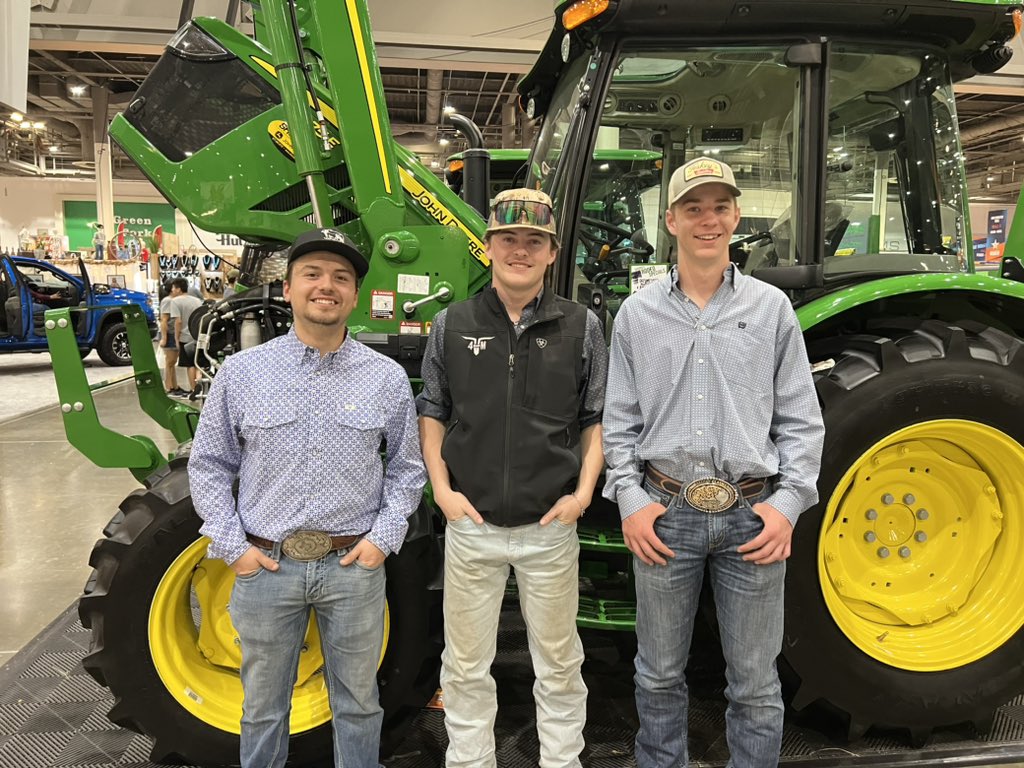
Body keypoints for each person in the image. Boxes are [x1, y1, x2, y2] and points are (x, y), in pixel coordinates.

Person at [601, 158, 825, 768]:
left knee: (754, 683)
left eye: (720, 207)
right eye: (694, 208)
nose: (709, 220)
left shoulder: (772, 309)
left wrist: (786, 505)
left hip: (752, 516)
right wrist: (631, 500)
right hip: (664, 514)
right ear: (671, 220)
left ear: (736, 216)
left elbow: (802, 420)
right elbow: (619, 422)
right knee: (656, 675)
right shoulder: (637, 314)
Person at [188, 227, 426, 768]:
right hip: (266, 566)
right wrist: (235, 550)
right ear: (288, 288)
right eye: (312, 274)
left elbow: (407, 469)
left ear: (355, 295)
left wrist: (381, 542)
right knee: (262, 708)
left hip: (352, 569)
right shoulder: (243, 373)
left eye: (341, 277)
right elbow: (208, 466)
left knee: (359, 704)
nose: (327, 286)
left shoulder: (385, 378)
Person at [417, 188, 608, 768]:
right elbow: (433, 409)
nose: (519, 250)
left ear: (552, 252)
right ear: (488, 246)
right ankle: (470, 760)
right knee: (464, 665)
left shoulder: (582, 326)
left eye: (533, 241)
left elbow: (595, 417)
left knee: (560, 663)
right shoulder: (451, 324)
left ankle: (561, 761)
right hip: (471, 526)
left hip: (549, 528)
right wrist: (443, 492)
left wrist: (581, 495)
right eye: (508, 239)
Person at [167, 277, 204, 394]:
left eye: (173, 288)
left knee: (190, 365)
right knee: (198, 364)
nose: (172, 290)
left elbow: (178, 321)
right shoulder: (197, 301)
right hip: (198, 335)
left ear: (178, 289)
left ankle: (194, 390)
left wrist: (176, 338)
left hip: (185, 337)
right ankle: (201, 387)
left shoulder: (175, 302)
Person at [158, 283, 182, 395]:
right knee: (170, 361)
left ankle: (174, 386)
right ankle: (168, 387)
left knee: (172, 362)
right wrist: (164, 338)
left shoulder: (173, 301)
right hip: (170, 334)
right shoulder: (168, 301)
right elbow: (164, 320)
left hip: (173, 333)